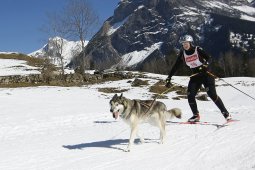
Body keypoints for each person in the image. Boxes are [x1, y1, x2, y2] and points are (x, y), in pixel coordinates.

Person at [166, 35, 232, 122]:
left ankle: (226, 113)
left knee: (211, 94)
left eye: (186, 43)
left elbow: (209, 58)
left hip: (206, 74)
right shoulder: (183, 53)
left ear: (190, 43)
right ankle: (196, 115)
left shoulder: (197, 49)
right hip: (195, 76)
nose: (185, 45)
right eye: (183, 44)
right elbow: (176, 66)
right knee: (190, 95)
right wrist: (169, 77)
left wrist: (205, 65)